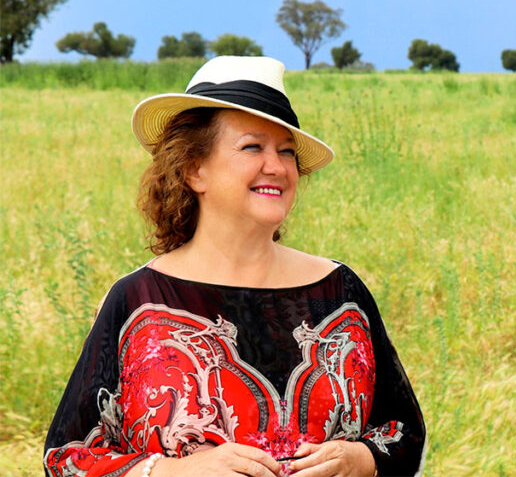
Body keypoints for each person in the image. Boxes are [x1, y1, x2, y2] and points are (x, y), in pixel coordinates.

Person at [44, 56, 426, 477]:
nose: (277, 167)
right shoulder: (137, 299)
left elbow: (405, 433)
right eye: (252, 147)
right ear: (194, 169)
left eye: (286, 152)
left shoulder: (340, 291)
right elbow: (66, 458)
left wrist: (362, 459)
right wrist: (172, 472)